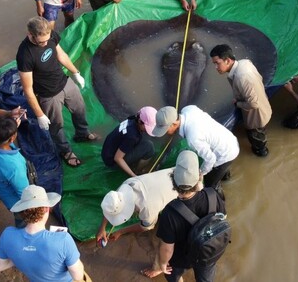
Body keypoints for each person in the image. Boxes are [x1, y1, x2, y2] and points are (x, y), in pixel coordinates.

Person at [16, 17, 98, 168]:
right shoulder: (24, 54)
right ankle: (65, 151)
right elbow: (28, 89)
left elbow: (61, 55)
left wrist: (75, 73)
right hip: (48, 95)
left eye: (47, 39)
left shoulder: (50, 35)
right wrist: (39, 114)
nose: (45, 43)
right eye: (41, 42)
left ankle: (82, 133)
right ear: (30, 35)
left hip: (64, 82)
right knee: (56, 125)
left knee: (80, 109)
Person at [144, 150, 226, 281]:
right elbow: (222, 218)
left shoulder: (169, 213)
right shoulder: (212, 194)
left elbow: (167, 248)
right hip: (207, 252)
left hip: (182, 258)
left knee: (173, 277)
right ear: (199, 176)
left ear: (173, 181)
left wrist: (163, 264)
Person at [0, 185, 85, 282]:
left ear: (22, 212)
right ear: (46, 209)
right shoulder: (63, 240)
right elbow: (78, 276)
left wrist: (21, 256)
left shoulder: (7, 235)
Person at [151, 105, 239, 190]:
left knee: (210, 185)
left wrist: (200, 174)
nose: (166, 133)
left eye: (166, 130)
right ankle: (225, 176)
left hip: (226, 153)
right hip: (228, 139)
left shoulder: (193, 138)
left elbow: (211, 159)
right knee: (222, 171)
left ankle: (218, 191)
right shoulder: (188, 109)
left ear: (174, 124)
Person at [210, 44, 272, 157]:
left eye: (217, 63)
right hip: (265, 106)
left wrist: (238, 103)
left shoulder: (241, 77)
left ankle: (261, 152)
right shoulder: (244, 63)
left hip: (257, 117)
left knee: (257, 140)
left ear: (228, 60)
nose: (216, 67)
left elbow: (253, 103)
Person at [96, 167, 177, 246]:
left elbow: (146, 227)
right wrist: (102, 228)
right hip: (174, 171)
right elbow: (112, 204)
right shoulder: (127, 184)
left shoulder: (147, 209)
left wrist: (121, 232)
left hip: (183, 186)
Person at [101, 106, 157, 177]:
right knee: (149, 147)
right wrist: (133, 175)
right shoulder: (132, 136)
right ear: (140, 121)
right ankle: (137, 171)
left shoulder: (133, 118)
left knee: (144, 142)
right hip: (112, 162)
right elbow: (118, 158)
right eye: (147, 127)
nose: (147, 130)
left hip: (107, 153)